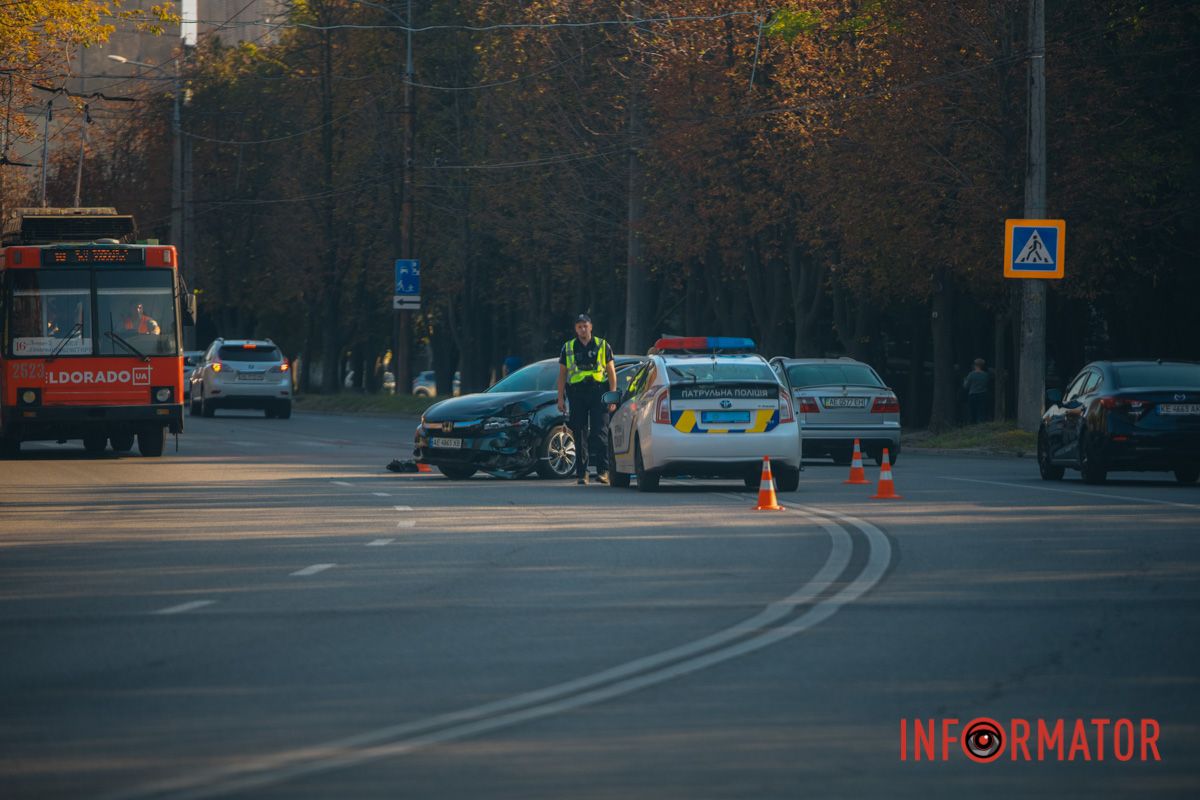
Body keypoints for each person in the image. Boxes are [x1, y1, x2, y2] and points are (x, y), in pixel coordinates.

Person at [557, 314, 617, 485]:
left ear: (591, 327)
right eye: (579, 326)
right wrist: (560, 398)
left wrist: (612, 396)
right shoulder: (568, 347)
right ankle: (582, 474)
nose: (583, 329)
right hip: (577, 394)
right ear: (575, 329)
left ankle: (603, 471)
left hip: (598, 393)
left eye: (585, 326)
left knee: (600, 432)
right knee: (579, 433)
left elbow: (611, 373)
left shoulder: (602, 345)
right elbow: (562, 375)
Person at [963, 357, 990, 424]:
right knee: (982, 411)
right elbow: (987, 384)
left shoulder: (971, 374)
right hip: (983, 394)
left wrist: (964, 381)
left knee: (972, 411)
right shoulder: (985, 375)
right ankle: (982, 425)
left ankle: (973, 425)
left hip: (973, 395)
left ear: (975, 365)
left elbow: (966, 386)